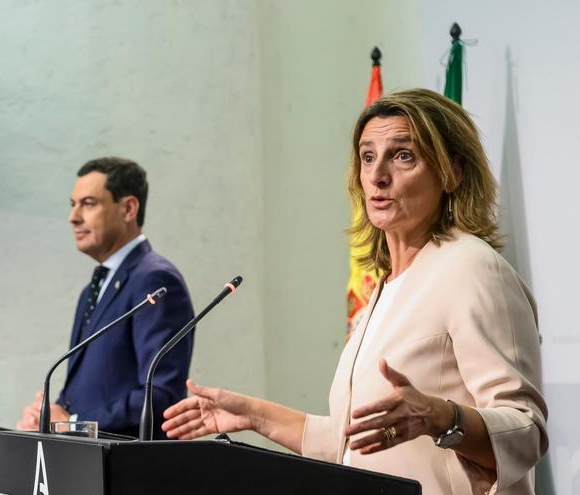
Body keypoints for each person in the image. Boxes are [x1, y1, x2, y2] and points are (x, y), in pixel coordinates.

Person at [162, 89, 547, 495]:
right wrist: (253, 415)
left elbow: (526, 429)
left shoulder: (472, 267)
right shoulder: (386, 285)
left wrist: (440, 416)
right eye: (367, 157)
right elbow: (353, 444)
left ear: (452, 172)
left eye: (402, 155)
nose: (378, 175)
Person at [16, 157, 195, 438]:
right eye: (73, 204)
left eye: (88, 204)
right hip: (88, 466)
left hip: (131, 469)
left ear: (128, 208)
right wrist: (49, 415)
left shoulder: (155, 279)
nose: (73, 216)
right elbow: (93, 389)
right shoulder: (93, 289)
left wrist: (74, 423)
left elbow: (161, 395)